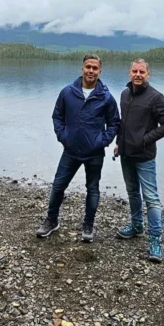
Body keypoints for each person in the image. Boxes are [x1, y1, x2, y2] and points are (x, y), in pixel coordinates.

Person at [37, 54, 120, 242]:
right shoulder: (67, 92)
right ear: (82, 68)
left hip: (95, 152)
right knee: (58, 186)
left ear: (100, 71)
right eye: (88, 67)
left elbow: (114, 123)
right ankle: (51, 221)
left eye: (95, 68)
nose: (91, 71)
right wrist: (63, 136)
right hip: (71, 151)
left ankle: (88, 225)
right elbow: (57, 116)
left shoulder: (106, 97)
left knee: (93, 189)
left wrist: (103, 140)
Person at [114, 58, 164, 262]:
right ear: (129, 73)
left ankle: (155, 241)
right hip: (126, 154)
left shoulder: (156, 97)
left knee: (151, 198)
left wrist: (143, 140)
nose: (138, 75)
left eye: (142, 72)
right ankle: (137, 226)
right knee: (132, 193)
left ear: (148, 74)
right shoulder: (124, 94)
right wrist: (118, 143)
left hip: (145, 156)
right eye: (134, 71)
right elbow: (124, 124)